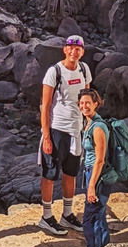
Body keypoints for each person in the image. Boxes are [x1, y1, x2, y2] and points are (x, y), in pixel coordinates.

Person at [38, 35, 92, 235]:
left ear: (82, 52)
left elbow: (86, 98)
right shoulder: (55, 72)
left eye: (77, 49)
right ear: (65, 50)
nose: (74, 51)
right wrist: (46, 136)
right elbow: (44, 105)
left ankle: (67, 214)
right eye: (70, 48)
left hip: (76, 129)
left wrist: (89, 122)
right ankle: (46, 216)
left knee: (71, 172)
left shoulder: (84, 70)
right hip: (57, 128)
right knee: (50, 173)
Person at [79, 88, 113, 247]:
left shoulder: (98, 127)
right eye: (82, 103)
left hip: (98, 176)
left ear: (96, 104)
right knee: (98, 218)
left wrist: (91, 186)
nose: (84, 106)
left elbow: (100, 160)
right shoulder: (88, 123)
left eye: (88, 103)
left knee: (90, 221)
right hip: (90, 173)